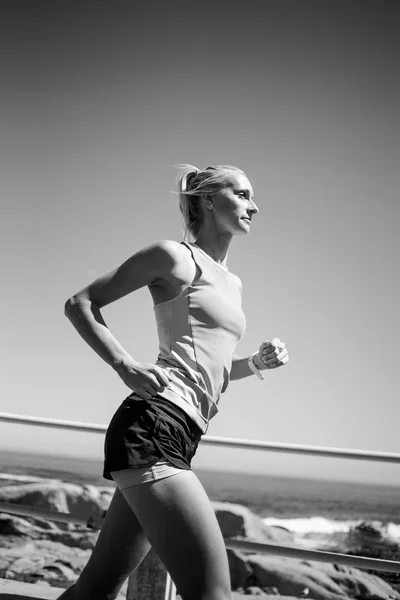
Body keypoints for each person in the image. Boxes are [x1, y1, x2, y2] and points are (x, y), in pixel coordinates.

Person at [59, 164, 289, 600]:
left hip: (185, 431)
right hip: (154, 425)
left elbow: (211, 369)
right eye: (241, 194)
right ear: (207, 199)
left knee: (94, 590)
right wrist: (123, 364)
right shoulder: (174, 257)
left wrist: (256, 362)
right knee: (212, 594)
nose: (253, 206)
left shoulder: (233, 282)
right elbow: (81, 303)